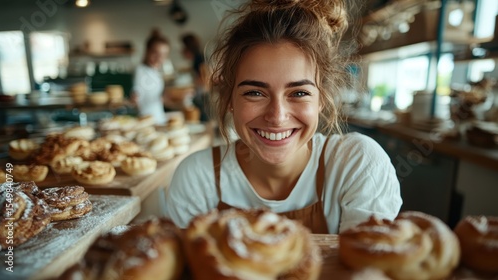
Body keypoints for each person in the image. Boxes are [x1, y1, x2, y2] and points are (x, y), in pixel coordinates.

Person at [164, 0, 402, 234]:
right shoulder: (197, 177)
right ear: (230, 101)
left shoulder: (358, 164)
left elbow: (368, 267)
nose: (277, 117)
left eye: (299, 93)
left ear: (322, 99)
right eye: (255, 93)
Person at [131, 29, 170, 125]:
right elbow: (137, 92)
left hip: (159, 119)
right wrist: (135, 97)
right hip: (148, 121)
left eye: (163, 55)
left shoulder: (154, 71)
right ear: (147, 51)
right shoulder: (140, 71)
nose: (159, 59)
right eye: (155, 53)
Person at [180, 33, 209, 121]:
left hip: (203, 94)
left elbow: (205, 78)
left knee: (203, 118)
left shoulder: (199, 59)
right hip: (202, 93)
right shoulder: (198, 57)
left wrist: (192, 86)